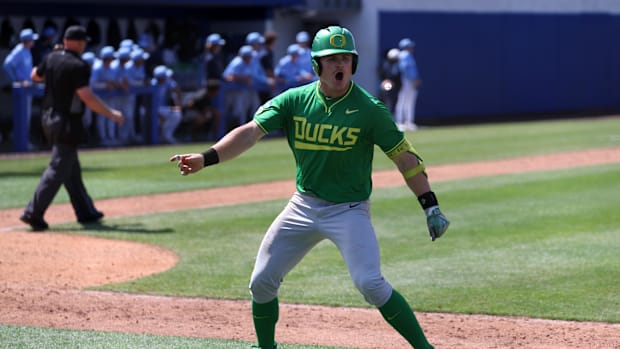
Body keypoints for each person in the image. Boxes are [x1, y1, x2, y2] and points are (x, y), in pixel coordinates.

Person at [169, 26, 449, 349]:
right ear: (317, 65)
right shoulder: (295, 101)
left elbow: (406, 159)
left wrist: (431, 206)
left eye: (345, 58)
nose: (339, 65)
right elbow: (249, 132)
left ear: (353, 64)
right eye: (331, 60)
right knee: (261, 283)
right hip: (303, 206)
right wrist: (206, 158)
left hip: (349, 210)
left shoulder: (370, 110)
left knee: (370, 283)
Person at [20, 25, 123, 231]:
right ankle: (33, 212)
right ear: (73, 42)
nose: (84, 44)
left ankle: (86, 211)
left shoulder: (52, 57)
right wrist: (111, 113)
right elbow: (87, 97)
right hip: (66, 122)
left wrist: (55, 62)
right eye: (82, 41)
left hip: (48, 119)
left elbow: (34, 76)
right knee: (59, 167)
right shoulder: (78, 64)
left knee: (71, 168)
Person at [3, 28, 39, 149]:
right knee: (23, 116)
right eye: (32, 39)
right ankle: (21, 142)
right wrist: (17, 80)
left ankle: (23, 140)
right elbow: (7, 65)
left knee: (26, 116)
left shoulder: (27, 50)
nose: (33, 41)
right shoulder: (19, 51)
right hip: (21, 88)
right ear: (27, 40)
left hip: (28, 86)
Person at [395, 38, 422, 131]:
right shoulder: (404, 55)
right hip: (406, 81)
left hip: (409, 81)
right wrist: (413, 79)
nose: (412, 48)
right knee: (403, 101)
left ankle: (409, 122)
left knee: (409, 102)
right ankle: (400, 122)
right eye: (410, 46)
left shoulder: (408, 55)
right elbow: (404, 69)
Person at [151, 64, 182, 144]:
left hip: (163, 108)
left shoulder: (168, 82)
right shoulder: (152, 83)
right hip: (151, 108)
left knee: (177, 113)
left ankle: (167, 136)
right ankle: (161, 138)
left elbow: (177, 90)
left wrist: (178, 104)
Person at [378, 48, 401, 115]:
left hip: (396, 86)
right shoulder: (385, 64)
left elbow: (398, 75)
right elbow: (381, 73)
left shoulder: (399, 65)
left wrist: (394, 82)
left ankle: (393, 117)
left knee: (395, 101)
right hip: (386, 85)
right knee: (385, 100)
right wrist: (385, 81)